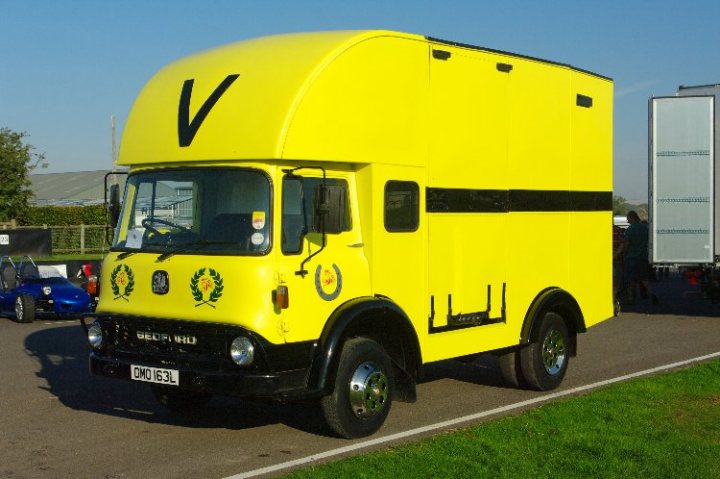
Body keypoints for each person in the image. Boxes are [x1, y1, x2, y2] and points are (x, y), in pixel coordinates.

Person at [614, 210, 657, 305]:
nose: (627, 221)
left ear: (632, 217)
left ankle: (630, 299)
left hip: (631, 258)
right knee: (644, 279)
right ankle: (652, 294)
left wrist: (619, 254)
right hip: (643, 257)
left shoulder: (630, 229)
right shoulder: (645, 228)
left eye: (628, 219)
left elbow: (626, 244)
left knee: (630, 280)